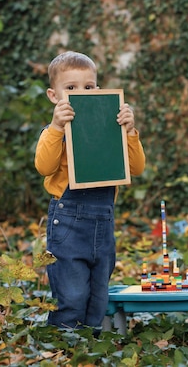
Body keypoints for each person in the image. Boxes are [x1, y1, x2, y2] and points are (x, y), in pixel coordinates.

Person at [34, 51, 146, 330]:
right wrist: (57, 127)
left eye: (89, 87)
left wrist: (130, 132)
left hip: (103, 221)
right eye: (70, 88)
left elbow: (136, 167)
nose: (81, 93)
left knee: (98, 294)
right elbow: (44, 166)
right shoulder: (53, 131)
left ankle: (92, 344)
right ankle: (64, 343)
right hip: (68, 221)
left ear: (98, 89)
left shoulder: (110, 128)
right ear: (53, 95)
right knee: (72, 293)